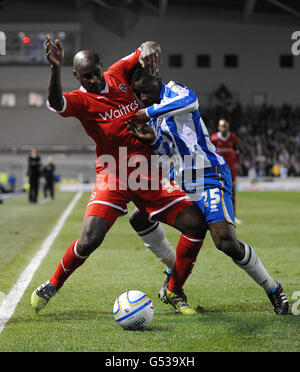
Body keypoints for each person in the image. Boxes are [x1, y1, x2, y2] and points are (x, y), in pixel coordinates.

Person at [31, 35, 208, 315]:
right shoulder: (80, 101)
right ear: (76, 76)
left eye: (95, 73)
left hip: (147, 171)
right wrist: (55, 69)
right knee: (90, 239)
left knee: (196, 225)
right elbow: (56, 102)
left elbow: (146, 47)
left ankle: (174, 290)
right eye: (85, 76)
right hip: (113, 174)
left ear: (102, 66)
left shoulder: (118, 74)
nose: (92, 80)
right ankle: (52, 284)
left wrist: (151, 48)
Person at [127, 66, 289, 315]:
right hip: (180, 179)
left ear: (157, 80)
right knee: (140, 216)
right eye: (139, 95)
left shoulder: (174, 92)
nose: (144, 98)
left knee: (225, 242)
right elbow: (168, 150)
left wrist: (146, 112)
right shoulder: (156, 115)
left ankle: (273, 288)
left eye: (146, 91)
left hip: (209, 176)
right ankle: (173, 276)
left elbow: (191, 101)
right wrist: (153, 141)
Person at [210, 119, 242, 223]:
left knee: (232, 192)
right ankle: (218, 216)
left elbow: (237, 152)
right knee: (216, 192)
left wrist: (238, 163)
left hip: (230, 169)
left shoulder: (233, 138)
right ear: (219, 127)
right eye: (222, 126)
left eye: (226, 126)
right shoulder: (213, 138)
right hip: (218, 169)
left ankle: (234, 216)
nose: (224, 128)